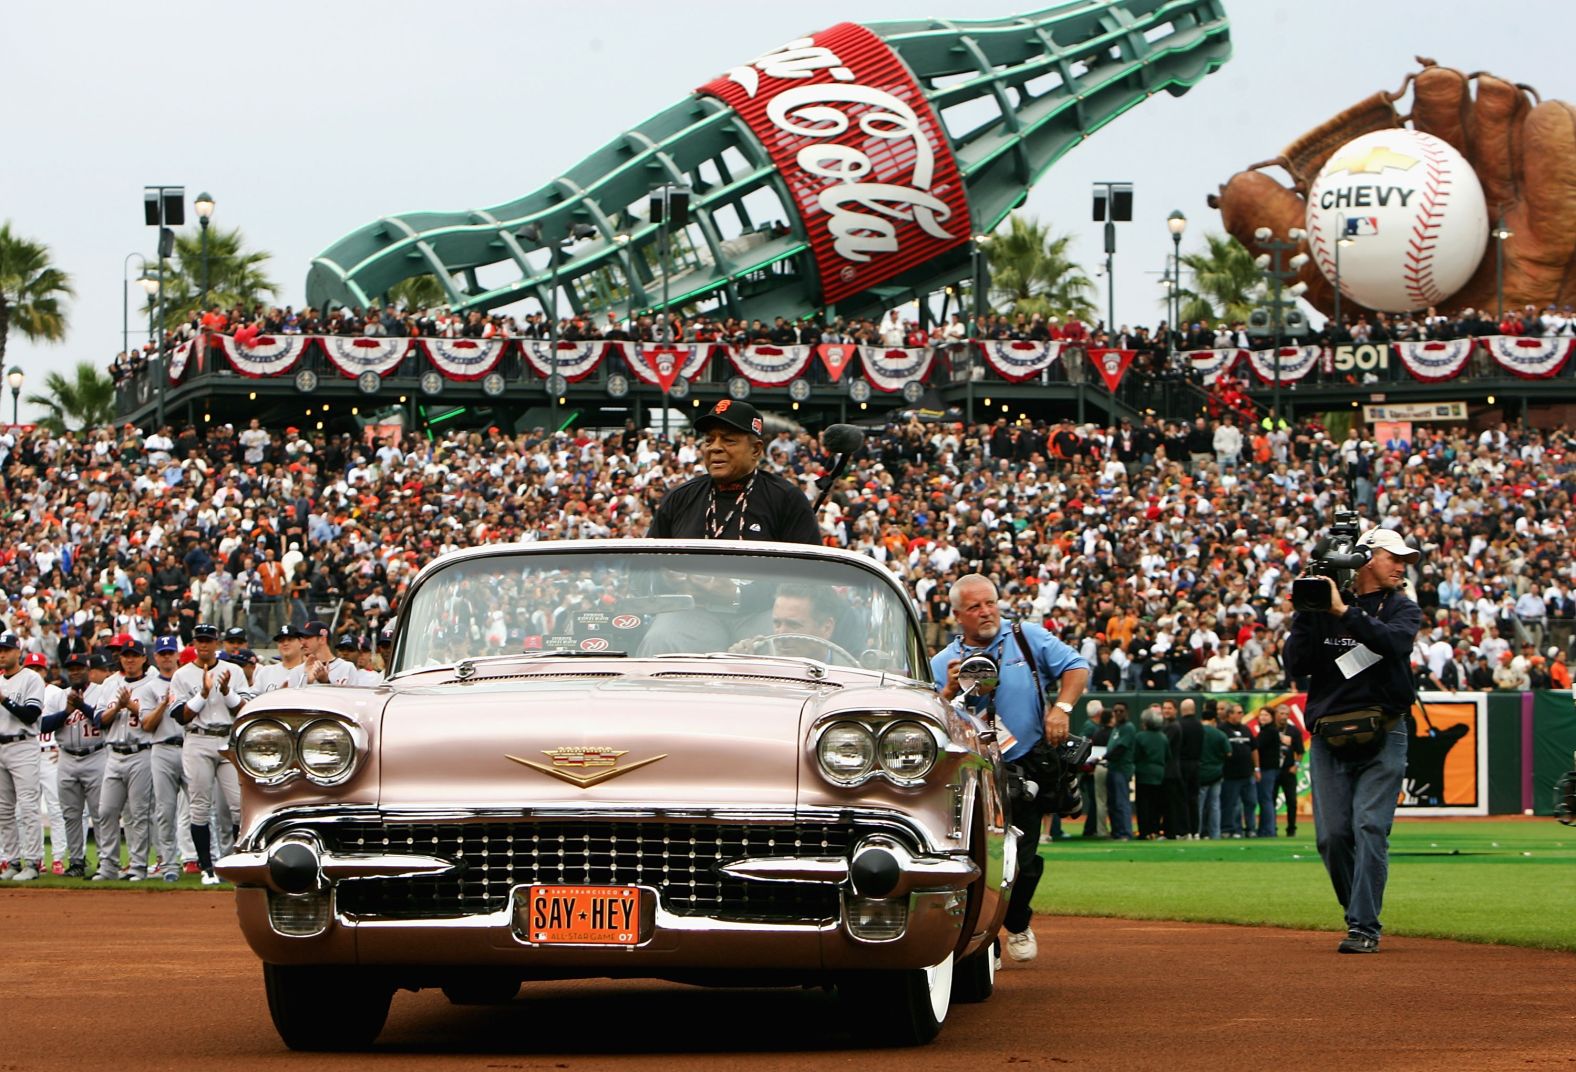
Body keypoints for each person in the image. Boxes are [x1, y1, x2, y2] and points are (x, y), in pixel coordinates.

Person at [933, 573, 1089, 962]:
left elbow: (1077, 666)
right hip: (971, 773)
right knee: (975, 861)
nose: (985, 612)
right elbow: (924, 714)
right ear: (957, 615)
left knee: (1025, 859)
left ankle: (1017, 921)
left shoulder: (1026, 637)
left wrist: (1062, 708)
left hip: (1025, 766)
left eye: (990, 603)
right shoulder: (941, 663)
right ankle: (988, 942)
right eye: (974, 607)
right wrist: (949, 691)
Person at [1284, 527, 1422, 953]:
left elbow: (1393, 642)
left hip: (1385, 731)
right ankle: (1357, 910)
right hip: (1329, 734)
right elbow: (1296, 663)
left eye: (1404, 559)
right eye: (1392, 557)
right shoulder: (1321, 605)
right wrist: (1310, 611)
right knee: (1333, 837)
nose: (1401, 566)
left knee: (1370, 826)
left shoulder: (1403, 607)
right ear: (1364, 559)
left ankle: (1364, 927)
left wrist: (1344, 611)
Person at [648, 400, 820, 544]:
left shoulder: (787, 500)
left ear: (756, 450)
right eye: (709, 440)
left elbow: (808, 577)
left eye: (728, 440)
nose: (715, 448)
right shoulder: (680, 498)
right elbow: (649, 568)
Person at [167, 623, 242, 885]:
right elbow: (180, 716)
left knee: (238, 807)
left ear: (217, 642)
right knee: (199, 806)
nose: (204, 644)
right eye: (200, 639)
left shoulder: (233, 670)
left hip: (228, 738)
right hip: (197, 738)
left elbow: (244, 709)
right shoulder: (182, 675)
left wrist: (226, 691)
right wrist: (203, 693)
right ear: (194, 642)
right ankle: (207, 868)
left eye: (208, 639)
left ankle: (236, 863)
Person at [93, 639, 163, 881]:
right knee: (106, 811)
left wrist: (131, 707)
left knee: (139, 813)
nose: (130, 659)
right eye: (126, 655)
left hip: (141, 752)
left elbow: (155, 722)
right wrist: (118, 708)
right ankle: (108, 866)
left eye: (134, 655)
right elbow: (99, 720)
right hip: (114, 753)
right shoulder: (110, 684)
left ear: (144, 658)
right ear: (120, 658)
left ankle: (138, 866)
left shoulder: (153, 685)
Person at [41, 652, 107, 878]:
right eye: (72, 668)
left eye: (79, 667)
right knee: (71, 814)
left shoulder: (101, 692)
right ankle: (77, 861)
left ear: (88, 669)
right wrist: (67, 712)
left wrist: (83, 707)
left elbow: (104, 720)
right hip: (67, 757)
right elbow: (43, 725)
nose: (75, 671)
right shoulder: (58, 697)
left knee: (100, 812)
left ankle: (104, 862)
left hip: (96, 754)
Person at [141, 637, 187, 882]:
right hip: (162, 747)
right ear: (155, 657)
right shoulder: (149, 686)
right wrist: (163, 704)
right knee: (164, 811)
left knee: (204, 809)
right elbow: (146, 725)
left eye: (170, 652)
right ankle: (169, 864)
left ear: (177, 655)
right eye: (162, 653)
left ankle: (210, 862)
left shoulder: (187, 679)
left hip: (189, 745)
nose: (167, 657)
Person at [0, 632, 46, 881]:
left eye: (7, 649)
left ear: (18, 652)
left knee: (28, 806)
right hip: (1, 746)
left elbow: (30, 715)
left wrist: (4, 700)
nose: (2, 653)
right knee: (4, 810)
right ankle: (12, 861)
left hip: (23, 745)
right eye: (0, 649)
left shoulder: (31, 678)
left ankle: (32, 862)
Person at [1220, 702, 1256, 838]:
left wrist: (1256, 768)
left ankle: (1251, 828)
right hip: (1230, 774)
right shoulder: (1222, 729)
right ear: (1230, 714)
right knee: (1231, 804)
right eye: (1239, 712)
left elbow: (1254, 748)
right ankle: (1230, 829)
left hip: (1247, 773)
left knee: (1251, 802)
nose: (1241, 715)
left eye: (1242, 712)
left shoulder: (1246, 729)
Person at [1196, 705, 1233, 839]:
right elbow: (1229, 753)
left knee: (1199, 806)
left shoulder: (1197, 732)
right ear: (1213, 720)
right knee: (1215, 806)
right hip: (1217, 773)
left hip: (1200, 773)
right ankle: (1215, 834)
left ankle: (1197, 832)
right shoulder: (1220, 734)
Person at [1133, 707, 1169, 839]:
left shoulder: (1140, 737)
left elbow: (1135, 756)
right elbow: (1168, 756)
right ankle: (1154, 830)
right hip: (1159, 775)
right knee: (1156, 805)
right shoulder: (1163, 737)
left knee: (1143, 805)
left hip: (1143, 774)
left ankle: (1144, 832)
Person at [1274, 706, 1306, 838]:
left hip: (1288, 770)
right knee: (1270, 800)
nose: (1284, 716)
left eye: (1286, 714)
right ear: (1276, 714)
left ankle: (1291, 828)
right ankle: (1271, 827)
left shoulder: (1293, 731)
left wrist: (1296, 765)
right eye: (1281, 713)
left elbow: (1300, 751)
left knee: (1291, 801)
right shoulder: (1271, 730)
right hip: (1273, 769)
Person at [1104, 702, 1135, 841]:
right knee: (1113, 803)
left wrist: (1102, 757)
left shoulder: (1128, 728)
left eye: (1121, 711)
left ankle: (1126, 833)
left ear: (1126, 712)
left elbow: (1120, 749)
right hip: (1112, 768)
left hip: (1121, 769)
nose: (1117, 713)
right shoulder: (1116, 728)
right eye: (1115, 711)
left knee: (1122, 802)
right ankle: (1116, 832)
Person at [1252, 708, 1282, 837]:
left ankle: (1268, 830)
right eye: (1261, 715)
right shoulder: (1267, 731)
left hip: (1267, 769)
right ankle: (1265, 829)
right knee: (1266, 799)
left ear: (1271, 717)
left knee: (1265, 799)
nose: (1263, 717)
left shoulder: (1269, 731)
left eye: (1266, 715)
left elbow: (1257, 746)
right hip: (1270, 769)